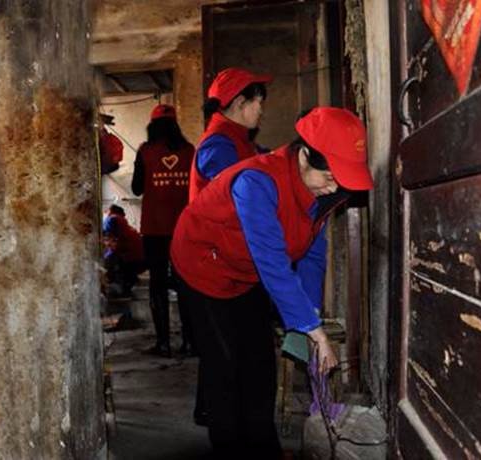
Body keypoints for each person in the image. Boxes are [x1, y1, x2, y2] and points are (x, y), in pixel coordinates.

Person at [171, 107, 374, 458]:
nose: (334, 186)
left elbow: (311, 255)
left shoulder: (323, 193)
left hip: (245, 271)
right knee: (224, 366)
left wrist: (309, 315)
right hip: (203, 266)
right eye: (329, 176)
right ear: (305, 155)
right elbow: (273, 263)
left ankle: (265, 450)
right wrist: (314, 332)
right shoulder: (257, 181)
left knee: (260, 365)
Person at [132, 104, 195, 357]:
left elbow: (136, 188)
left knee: (157, 285)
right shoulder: (190, 151)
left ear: (152, 126)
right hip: (184, 229)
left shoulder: (145, 151)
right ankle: (189, 342)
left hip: (154, 229)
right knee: (186, 284)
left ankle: (163, 343)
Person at [189, 67, 273, 202]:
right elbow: (237, 196)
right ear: (240, 102)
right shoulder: (218, 145)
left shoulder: (237, 138)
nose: (261, 111)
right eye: (258, 102)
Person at [102, 205, 145, 297]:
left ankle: (122, 287)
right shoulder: (124, 223)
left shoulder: (113, 219)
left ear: (110, 211)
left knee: (107, 261)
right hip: (139, 259)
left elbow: (115, 243)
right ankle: (127, 283)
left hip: (130, 259)